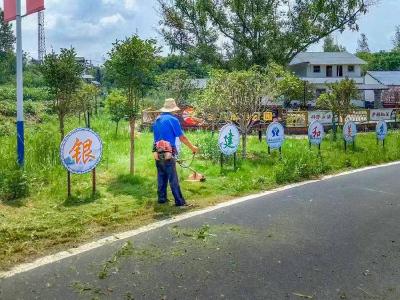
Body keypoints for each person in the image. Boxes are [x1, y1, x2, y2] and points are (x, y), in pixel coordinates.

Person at [153, 98, 199, 207]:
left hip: (156, 151)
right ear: (173, 109)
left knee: (161, 175)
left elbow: (156, 137)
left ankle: (162, 198)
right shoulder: (173, 120)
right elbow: (182, 137)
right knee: (173, 177)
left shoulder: (157, 119)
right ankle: (179, 201)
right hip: (168, 152)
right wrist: (193, 148)